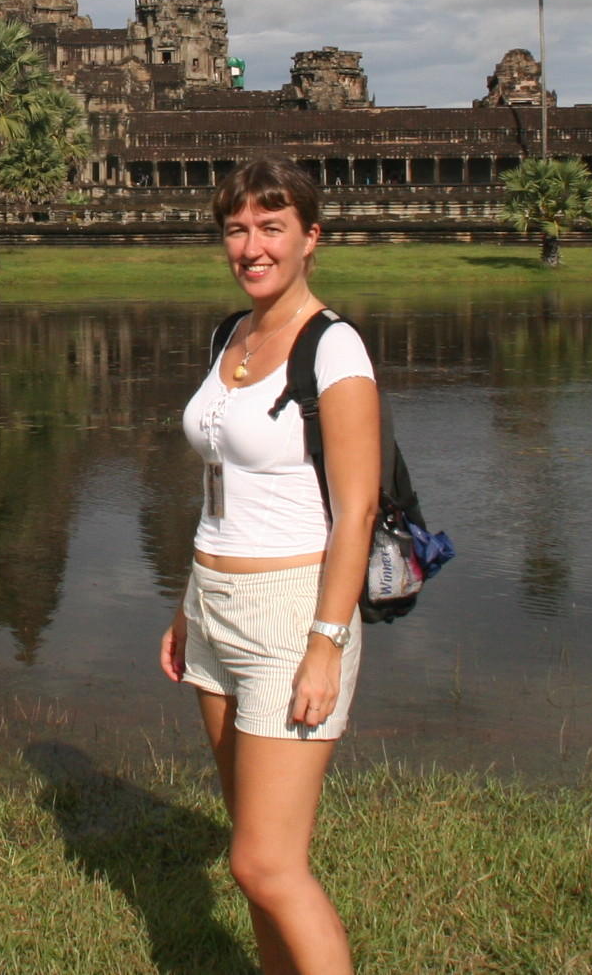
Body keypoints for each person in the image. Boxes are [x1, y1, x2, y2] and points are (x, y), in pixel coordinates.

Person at [161, 155, 380, 974]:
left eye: (271, 228)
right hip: (215, 602)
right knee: (252, 859)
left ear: (310, 238)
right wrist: (188, 603)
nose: (252, 247)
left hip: (293, 614)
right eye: (237, 229)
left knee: (266, 863)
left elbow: (356, 510)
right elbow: (223, 486)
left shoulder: (336, 349)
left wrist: (327, 639)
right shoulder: (231, 333)